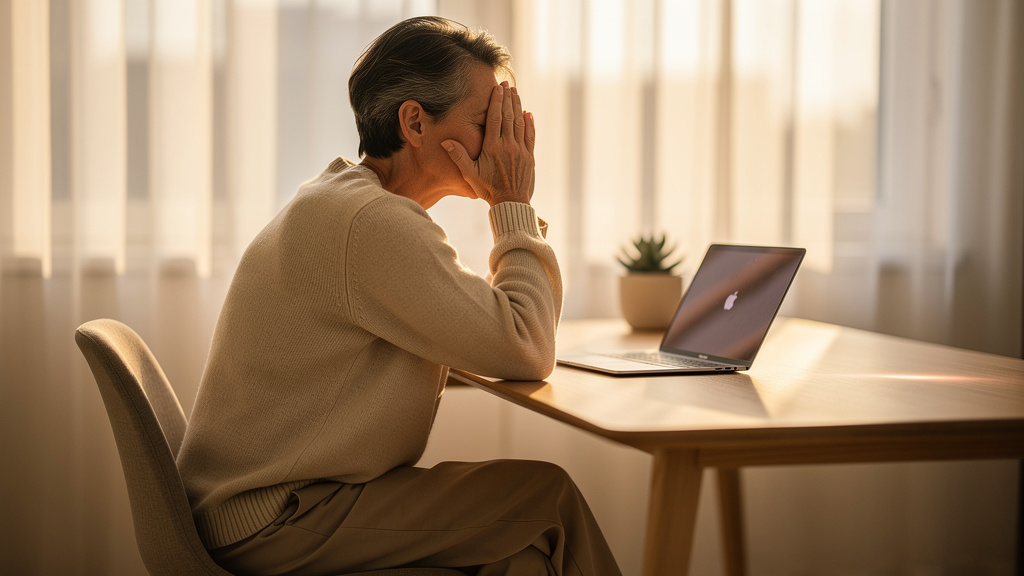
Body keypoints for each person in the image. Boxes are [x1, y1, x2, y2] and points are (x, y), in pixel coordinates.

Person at [176, 15, 623, 576]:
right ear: (414, 121)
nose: (504, 145)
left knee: (524, 556)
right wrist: (512, 203)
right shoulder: (370, 223)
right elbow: (527, 348)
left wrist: (497, 324)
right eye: (488, 122)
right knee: (546, 499)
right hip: (276, 517)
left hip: (272, 505)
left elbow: (499, 340)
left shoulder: (344, 201)